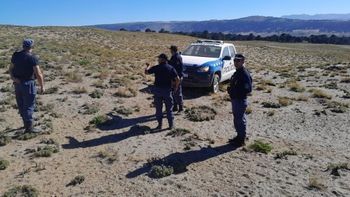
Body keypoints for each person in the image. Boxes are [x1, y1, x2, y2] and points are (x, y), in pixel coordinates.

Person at [9, 39, 45, 133]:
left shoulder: (16, 55)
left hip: (17, 84)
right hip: (28, 84)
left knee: (21, 104)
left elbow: (10, 69)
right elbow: (38, 74)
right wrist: (42, 86)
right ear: (32, 47)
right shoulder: (32, 57)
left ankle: (25, 124)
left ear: (23, 46)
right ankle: (29, 128)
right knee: (29, 105)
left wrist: (13, 78)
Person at [145, 54, 180, 130]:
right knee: (169, 109)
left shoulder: (157, 67)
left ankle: (159, 125)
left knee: (158, 109)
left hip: (157, 91)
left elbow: (146, 72)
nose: (158, 60)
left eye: (159, 58)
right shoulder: (170, 68)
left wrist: (147, 66)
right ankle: (171, 125)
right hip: (167, 91)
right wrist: (176, 88)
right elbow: (177, 79)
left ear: (162, 59)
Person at [227, 54, 252, 146]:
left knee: (240, 120)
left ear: (243, 62)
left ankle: (241, 139)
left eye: (238, 61)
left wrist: (236, 91)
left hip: (240, 100)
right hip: (235, 99)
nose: (236, 63)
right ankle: (238, 136)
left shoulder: (244, 73)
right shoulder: (237, 72)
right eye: (235, 61)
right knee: (237, 119)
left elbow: (248, 89)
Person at [168, 45, 184, 112]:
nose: (170, 51)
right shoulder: (178, 56)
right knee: (175, 92)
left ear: (172, 50)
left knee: (177, 92)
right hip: (178, 76)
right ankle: (176, 107)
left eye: (170, 50)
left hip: (176, 77)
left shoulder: (175, 57)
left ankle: (180, 107)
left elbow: (173, 67)